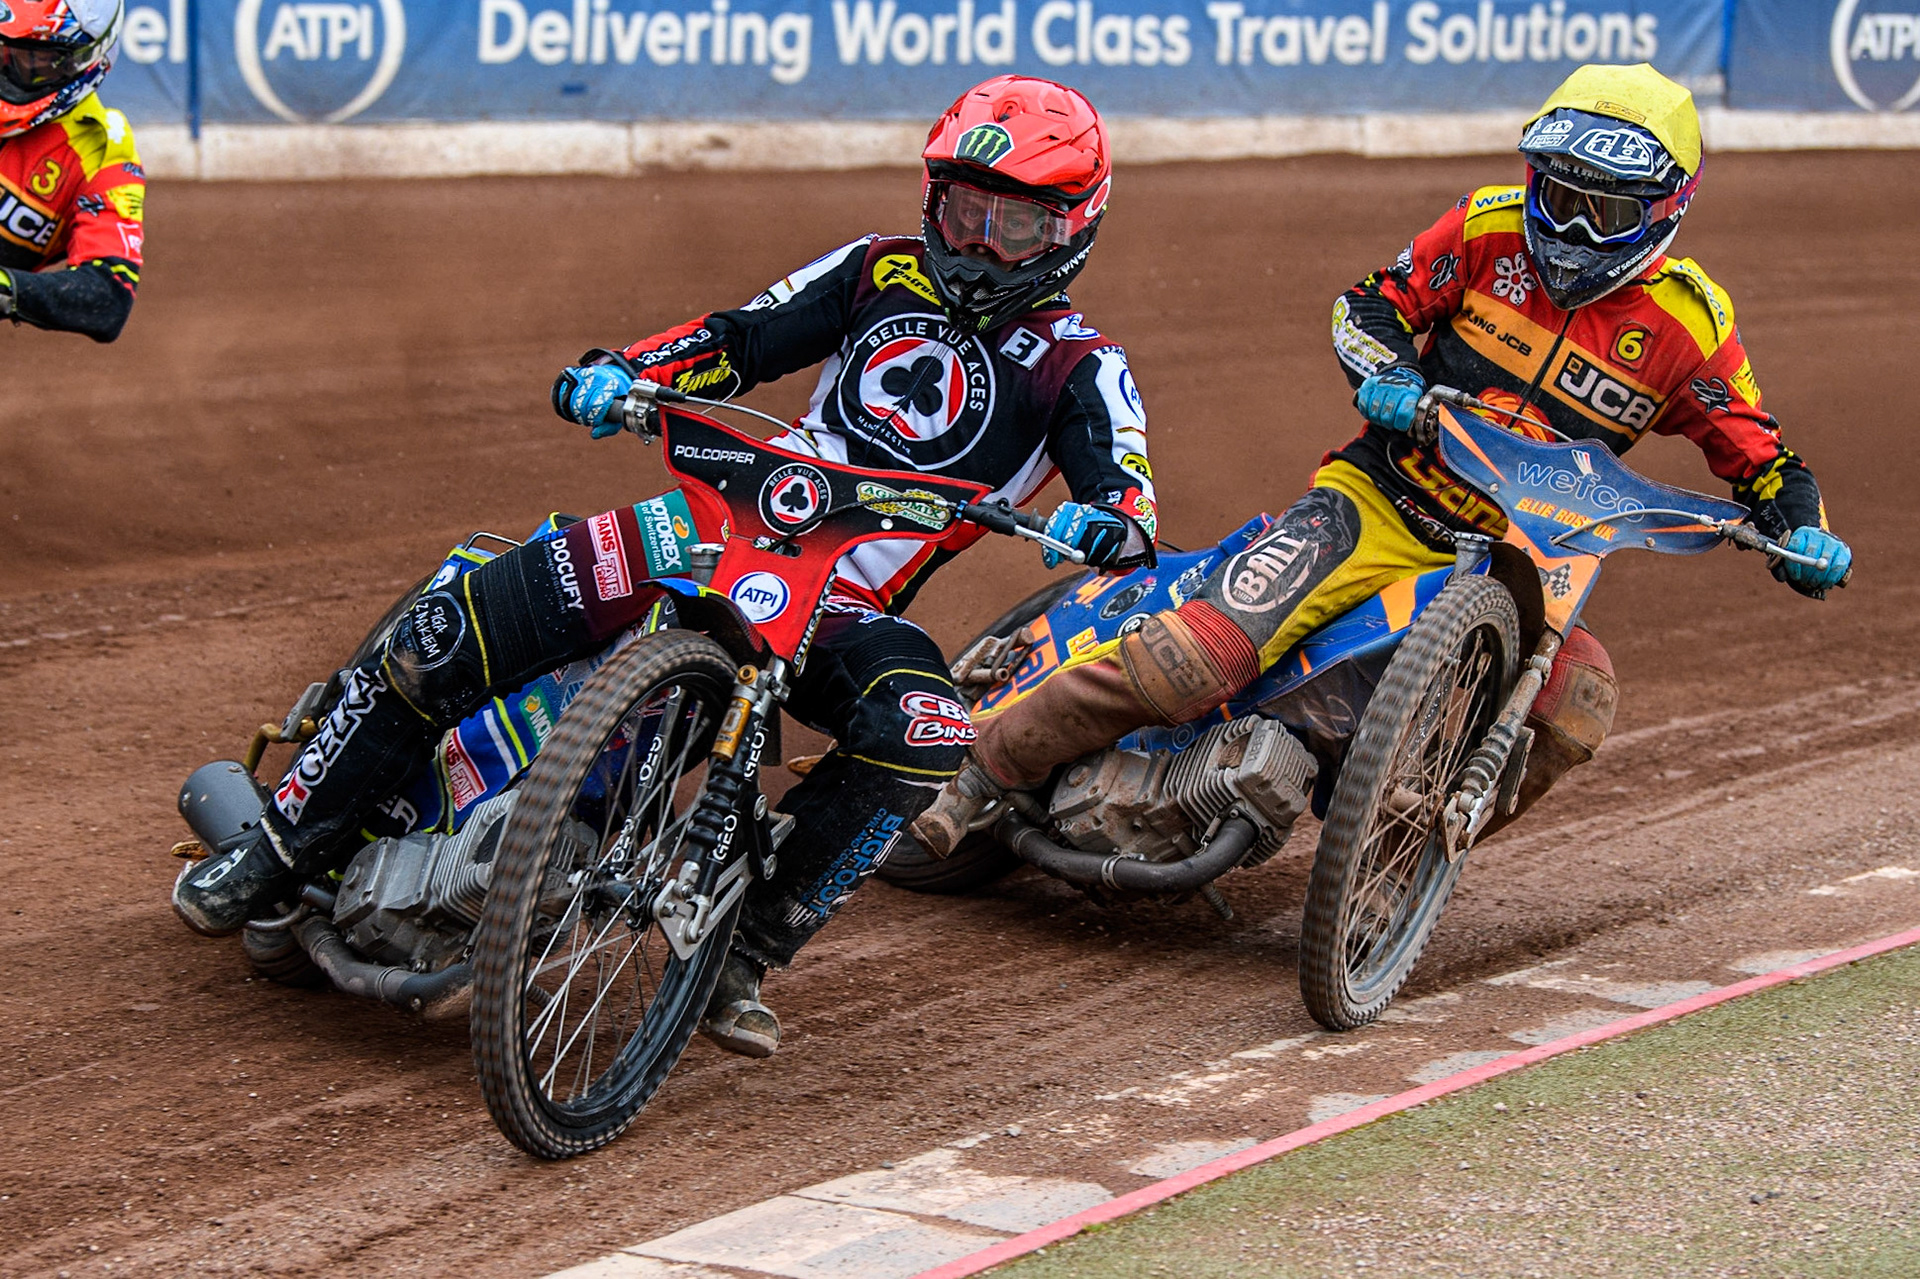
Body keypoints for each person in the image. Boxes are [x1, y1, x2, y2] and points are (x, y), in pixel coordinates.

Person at [171, 75, 1157, 1057]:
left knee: (925, 729)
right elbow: (739, 339)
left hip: (844, 600)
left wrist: (1110, 524)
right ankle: (279, 847)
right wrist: (631, 370)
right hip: (711, 518)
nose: (980, 241)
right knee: (450, 629)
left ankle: (745, 943)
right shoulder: (875, 269)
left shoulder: (1080, 363)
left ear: (1073, 227)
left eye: (1013, 226)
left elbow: (1127, 492)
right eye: (965, 210)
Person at [913, 62, 1852, 856]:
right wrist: (1389, 376)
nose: (1570, 224)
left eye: (1604, 210)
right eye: (1558, 192)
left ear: (1664, 210)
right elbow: (1367, 305)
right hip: (1381, 498)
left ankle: (1396, 845)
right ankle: (978, 771)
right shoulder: (1487, 227)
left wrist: (1801, 531)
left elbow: (1764, 463)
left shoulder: (1692, 325)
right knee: (1202, 655)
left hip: (1526, 557)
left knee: (1580, 699)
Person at [0, 0, 143, 342]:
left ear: (83, 61)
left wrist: (7, 287)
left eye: (35, 58)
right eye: (4, 49)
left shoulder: (102, 152)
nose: (9, 66)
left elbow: (109, 296)